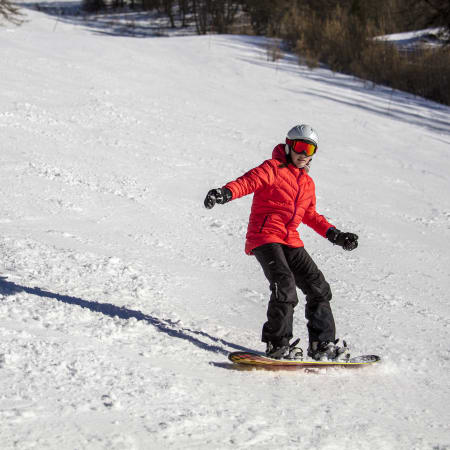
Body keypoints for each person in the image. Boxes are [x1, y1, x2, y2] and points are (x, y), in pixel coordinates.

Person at [204, 124, 358, 361]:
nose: (303, 153)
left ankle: (322, 344)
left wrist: (335, 235)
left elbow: (310, 215)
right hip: (265, 236)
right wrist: (225, 193)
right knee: (284, 285)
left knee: (318, 287)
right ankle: (278, 344)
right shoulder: (272, 168)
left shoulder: (307, 183)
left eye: (310, 149)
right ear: (289, 145)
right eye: (300, 146)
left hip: (290, 240)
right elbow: (247, 182)